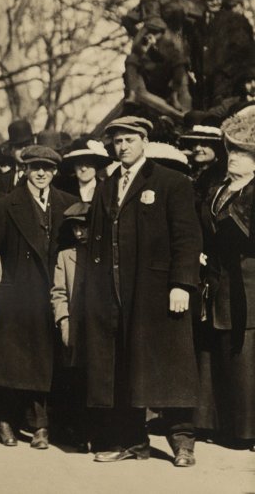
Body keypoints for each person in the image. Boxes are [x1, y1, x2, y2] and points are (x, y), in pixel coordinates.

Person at [83, 116, 202, 467]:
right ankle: (133, 441)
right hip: (117, 291)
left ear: (144, 142)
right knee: (123, 366)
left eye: (129, 141)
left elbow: (187, 237)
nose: (123, 148)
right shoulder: (106, 188)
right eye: (117, 142)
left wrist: (182, 283)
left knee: (171, 365)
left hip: (158, 291)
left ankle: (183, 443)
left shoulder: (171, 182)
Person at [0, 146, 77, 450]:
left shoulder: (68, 204)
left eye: (47, 168)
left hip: (52, 295)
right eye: (35, 168)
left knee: (46, 362)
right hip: (17, 295)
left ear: (55, 172)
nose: (41, 173)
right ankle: (5, 420)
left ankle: (40, 426)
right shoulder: (8, 205)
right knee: (12, 365)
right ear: (26, 171)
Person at [194, 111, 255, 450]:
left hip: (248, 283)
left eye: (243, 153)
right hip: (217, 281)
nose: (234, 158)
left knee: (245, 355)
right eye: (232, 151)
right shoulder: (217, 189)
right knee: (216, 351)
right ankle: (216, 423)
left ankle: (248, 430)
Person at [49, 202, 92, 450]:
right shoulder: (66, 256)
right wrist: (63, 320)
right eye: (75, 228)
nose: (79, 233)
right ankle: (78, 432)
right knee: (75, 379)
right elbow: (58, 292)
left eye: (83, 227)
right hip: (74, 323)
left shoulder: (104, 254)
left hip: (96, 324)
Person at [190, 0, 255, 110]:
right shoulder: (199, 24)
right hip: (205, 82)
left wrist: (233, 74)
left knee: (226, 112)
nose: (215, 2)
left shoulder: (235, 20)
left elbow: (245, 50)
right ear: (203, 1)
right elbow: (196, 51)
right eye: (210, 0)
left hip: (228, 79)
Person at [124, 17, 191, 121]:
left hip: (166, 84)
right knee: (131, 60)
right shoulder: (142, 44)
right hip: (147, 85)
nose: (152, 35)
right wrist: (144, 50)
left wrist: (156, 48)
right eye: (149, 32)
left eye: (156, 32)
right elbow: (134, 65)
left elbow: (175, 65)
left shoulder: (170, 45)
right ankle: (132, 95)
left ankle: (175, 99)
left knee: (181, 67)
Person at [56, 138, 112, 202]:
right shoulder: (63, 189)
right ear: (74, 166)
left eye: (88, 163)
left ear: (96, 165)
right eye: (79, 164)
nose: (83, 169)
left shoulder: (107, 190)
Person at [0, 119, 35, 197]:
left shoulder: (41, 175)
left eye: (27, 145)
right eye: (19, 147)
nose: (24, 150)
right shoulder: (1, 180)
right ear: (11, 150)